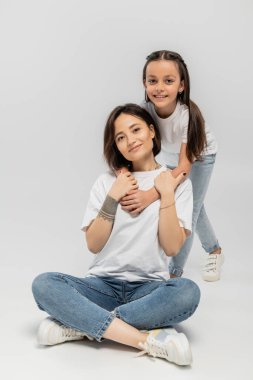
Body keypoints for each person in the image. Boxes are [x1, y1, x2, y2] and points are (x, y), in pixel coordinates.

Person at [32, 104, 200, 366]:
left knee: (187, 292)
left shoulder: (176, 184)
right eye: (120, 137)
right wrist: (113, 196)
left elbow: (172, 248)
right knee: (44, 284)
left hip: (148, 289)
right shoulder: (106, 182)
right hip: (101, 285)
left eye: (136, 130)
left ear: (152, 131)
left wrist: (166, 193)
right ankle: (143, 339)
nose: (130, 140)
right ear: (116, 146)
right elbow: (94, 244)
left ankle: (82, 324)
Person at [120, 51, 223, 281]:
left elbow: (184, 167)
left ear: (181, 85)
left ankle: (173, 274)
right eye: (152, 80)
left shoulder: (187, 116)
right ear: (144, 82)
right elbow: (127, 138)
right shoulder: (143, 110)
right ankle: (215, 249)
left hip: (200, 156)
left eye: (168, 81)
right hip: (171, 154)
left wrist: (150, 195)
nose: (159, 87)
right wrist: (122, 169)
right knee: (197, 204)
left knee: (189, 208)